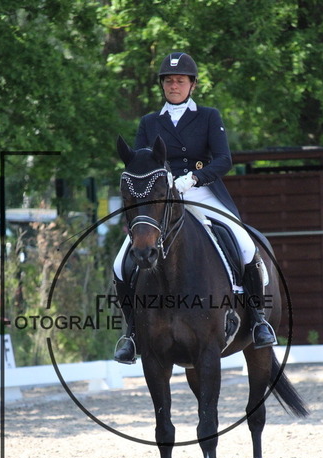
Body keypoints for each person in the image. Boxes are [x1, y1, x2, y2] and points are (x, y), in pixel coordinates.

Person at [114, 51, 276, 363]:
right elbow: (141, 161)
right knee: (121, 262)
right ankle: (132, 333)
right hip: (161, 196)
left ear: (192, 85)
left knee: (245, 245)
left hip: (200, 191)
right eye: (168, 81)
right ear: (162, 85)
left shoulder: (208, 116)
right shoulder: (149, 122)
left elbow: (224, 160)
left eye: (180, 80)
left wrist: (193, 179)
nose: (174, 85)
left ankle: (257, 319)